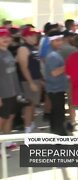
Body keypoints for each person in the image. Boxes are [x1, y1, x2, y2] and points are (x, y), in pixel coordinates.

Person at [0, 27, 21, 156]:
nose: (5, 39)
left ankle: (6, 141)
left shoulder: (7, 52)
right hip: (3, 92)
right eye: (2, 37)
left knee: (10, 117)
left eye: (7, 37)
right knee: (2, 119)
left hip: (12, 91)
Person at [17, 27, 42, 133]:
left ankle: (31, 124)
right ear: (25, 37)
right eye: (32, 35)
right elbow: (24, 67)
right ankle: (27, 128)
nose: (35, 37)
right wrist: (31, 82)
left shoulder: (33, 47)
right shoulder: (23, 49)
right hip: (27, 81)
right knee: (28, 105)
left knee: (33, 105)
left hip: (35, 79)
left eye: (35, 35)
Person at [45, 30, 68, 136]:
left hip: (56, 88)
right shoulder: (53, 55)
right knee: (59, 114)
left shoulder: (54, 53)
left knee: (55, 113)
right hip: (55, 89)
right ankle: (60, 137)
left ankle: (55, 134)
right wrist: (68, 66)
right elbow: (54, 72)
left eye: (60, 40)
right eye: (57, 41)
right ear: (51, 41)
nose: (60, 43)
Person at [58, 30, 78, 131]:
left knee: (61, 101)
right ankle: (72, 121)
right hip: (71, 78)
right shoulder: (73, 50)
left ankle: (64, 120)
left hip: (58, 78)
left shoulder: (57, 49)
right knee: (72, 101)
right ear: (67, 37)